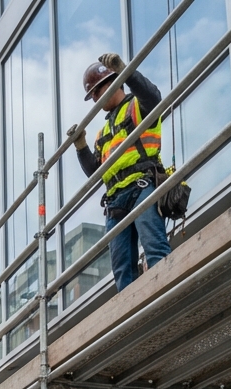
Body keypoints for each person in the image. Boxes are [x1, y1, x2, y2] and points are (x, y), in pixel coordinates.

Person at [67, 53, 172, 292]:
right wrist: (81, 145)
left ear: (114, 81)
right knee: (122, 270)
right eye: (91, 94)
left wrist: (126, 70)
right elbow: (95, 173)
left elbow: (154, 97)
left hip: (142, 186)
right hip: (115, 202)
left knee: (155, 249)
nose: (94, 98)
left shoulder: (137, 106)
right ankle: (134, 321)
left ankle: (168, 299)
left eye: (96, 90)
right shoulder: (102, 132)